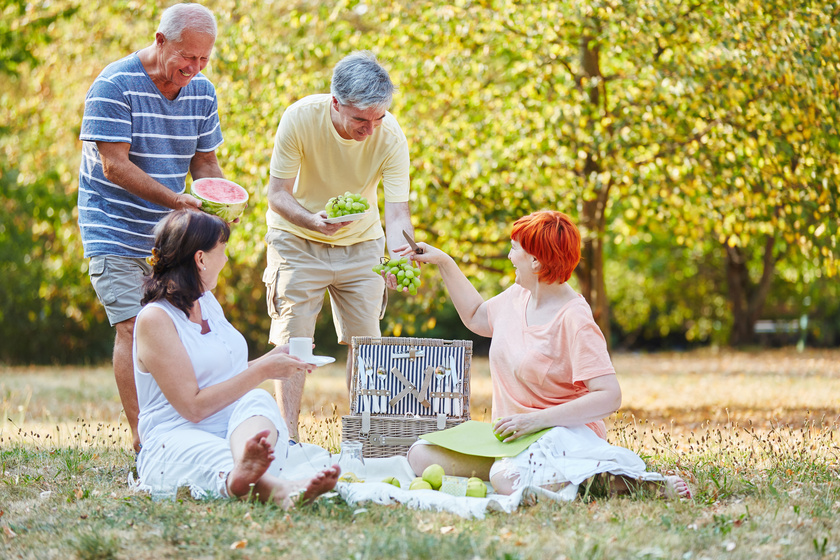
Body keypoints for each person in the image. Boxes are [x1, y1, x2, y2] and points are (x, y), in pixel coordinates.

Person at [400, 211, 691, 499]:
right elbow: (476, 316)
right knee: (419, 455)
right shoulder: (518, 296)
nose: (510, 256)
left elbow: (609, 396)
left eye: (515, 249)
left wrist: (535, 421)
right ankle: (510, 470)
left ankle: (636, 483)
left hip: (560, 434)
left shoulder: (574, 320)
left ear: (536, 261)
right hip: (514, 436)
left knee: (508, 479)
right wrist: (443, 261)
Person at [78, 3, 228, 453]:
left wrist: (218, 201)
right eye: (188, 57)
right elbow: (113, 166)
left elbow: (205, 162)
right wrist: (177, 199)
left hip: (172, 235)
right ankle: (148, 443)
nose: (195, 68)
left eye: (205, 59)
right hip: (114, 227)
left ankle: (189, 430)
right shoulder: (114, 84)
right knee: (132, 326)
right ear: (161, 40)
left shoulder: (202, 91)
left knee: (190, 325)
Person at [134, 210, 340, 507]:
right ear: (201, 259)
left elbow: (225, 376)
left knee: (256, 400)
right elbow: (193, 407)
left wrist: (273, 360)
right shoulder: (155, 319)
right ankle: (274, 487)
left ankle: (247, 464)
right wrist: (263, 371)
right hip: (177, 435)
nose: (227, 259)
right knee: (217, 453)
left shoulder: (206, 301)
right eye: (223, 249)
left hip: (232, 427)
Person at [263, 50, 416, 441]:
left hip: (361, 241)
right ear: (336, 103)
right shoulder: (299, 118)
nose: (371, 129)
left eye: (378, 118)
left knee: (367, 342)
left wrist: (401, 258)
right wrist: (312, 220)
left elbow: (397, 214)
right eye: (360, 119)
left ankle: (366, 441)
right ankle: (289, 441)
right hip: (297, 237)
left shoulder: (391, 135)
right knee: (294, 338)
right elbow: (277, 195)